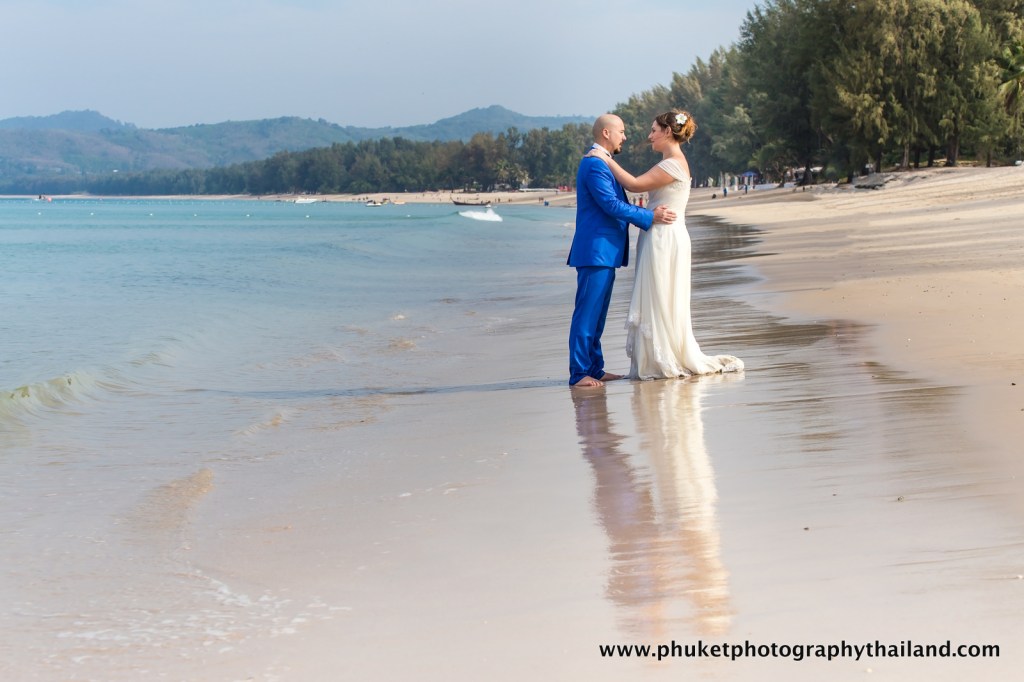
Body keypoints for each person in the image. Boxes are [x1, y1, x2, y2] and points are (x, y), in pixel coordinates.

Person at [586, 110, 743, 380]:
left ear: (668, 132)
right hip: (662, 233)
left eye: (654, 130)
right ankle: (659, 353)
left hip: (664, 237)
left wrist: (604, 158)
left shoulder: (672, 164)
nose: (650, 137)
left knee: (661, 294)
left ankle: (661, 357)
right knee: (662, 295)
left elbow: (634, 185)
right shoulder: (672, 162)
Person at [568, 114, 678, 387]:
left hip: (604, 251)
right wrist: (649, 216)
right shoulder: (595, 164)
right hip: (595, 250)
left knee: (598, 315)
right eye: (621, 131)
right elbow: (611, 205)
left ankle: (594, 367)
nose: (625, 136)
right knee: (587, 314)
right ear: (606, 133)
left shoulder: (602, 162)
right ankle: (579, 372)